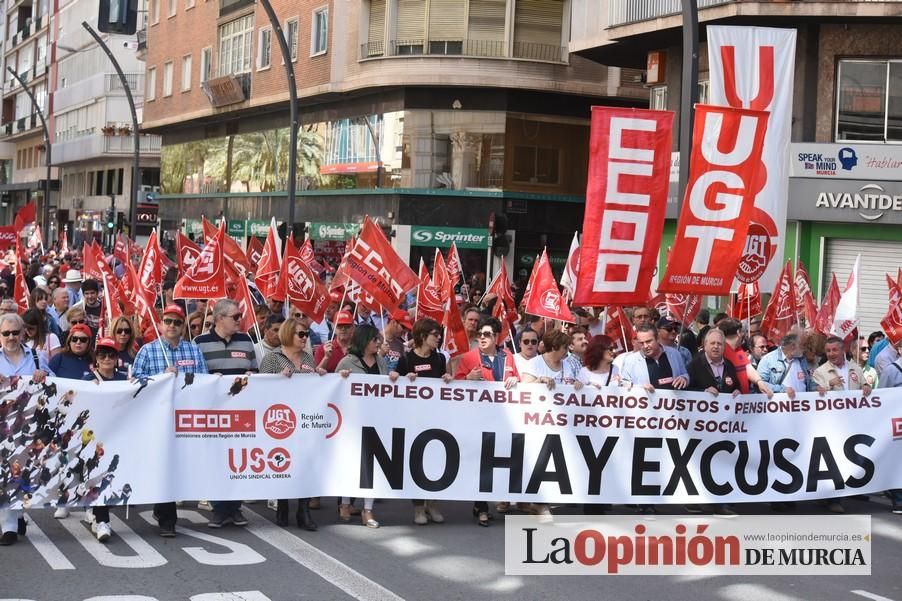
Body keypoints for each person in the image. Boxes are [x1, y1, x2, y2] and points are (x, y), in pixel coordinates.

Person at [132, 304, 209, 537]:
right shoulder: (147, 350)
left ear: (183, 325)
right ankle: (168, 519)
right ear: (161, 324)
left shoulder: (193, 350)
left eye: (177, 322)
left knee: (178, 465)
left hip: (185, 417)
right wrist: (159, 379)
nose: (172, 326)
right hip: (157, 418)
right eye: (168, 321)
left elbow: (204, 379)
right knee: (164, 463)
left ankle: (161, 506)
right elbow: (134, 382)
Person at [194, 299, 258, 529]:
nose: (240, 320)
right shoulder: (199, 342)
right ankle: (219, 509)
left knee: (238, 459)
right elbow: (196, 376)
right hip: (214, 412)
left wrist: (252, 374)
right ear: (220, 318)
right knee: (216, 460)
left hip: (241, 412)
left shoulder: (246, 340)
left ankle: (235, 507)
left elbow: (256, 372)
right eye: (236, 317)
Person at [454, 316, 519, 526]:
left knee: (494, 461)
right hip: (477, 419)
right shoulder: (469, 358)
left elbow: (516, 379)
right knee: (481, 461)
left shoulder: (507, 356)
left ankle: (484, 502)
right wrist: (467, 379)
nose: (482, 337)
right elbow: (454, 387)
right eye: (480, 334)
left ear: (497, 337)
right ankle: (481, 506)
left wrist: (515, 379)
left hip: (502, 419)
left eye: (487, 334)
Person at [259, 318, 323, 530]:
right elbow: (262, 390)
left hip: (305, 418)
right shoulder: (272, 358)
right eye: (301, 334)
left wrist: (320, 376)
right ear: (288, 335)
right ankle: (283, 504)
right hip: (281, 419)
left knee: (305, 463)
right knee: (283, 462)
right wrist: (277, 379)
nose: (305, 338)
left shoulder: (307, 358)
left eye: (306, 334)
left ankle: (303, 510)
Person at [392, 318, 451, 525]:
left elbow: (445, 381)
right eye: (435, 334)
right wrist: (400, 378)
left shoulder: (440, 359)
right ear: (422, 336)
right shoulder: (406, 360)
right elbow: (392, 385)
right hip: (414, 420)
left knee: (436, 460)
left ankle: (432, 504)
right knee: (417, 461)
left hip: (436, 418)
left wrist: (448, 379)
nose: (438, 338)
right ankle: (418, 507)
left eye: (439, 334)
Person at [0, 313, 52, 545]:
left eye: (15, 332)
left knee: (22, 470)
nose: (11, 337)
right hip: (3, 426)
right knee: (5, 472)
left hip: (29, 426)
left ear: (23, 332)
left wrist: (45, 375)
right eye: (6, 333)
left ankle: (19, 512)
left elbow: (56, 387)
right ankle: (9, 526)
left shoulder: (37, 357)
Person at [337, 324, 395, 528]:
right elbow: (334, 390)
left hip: (376, 419)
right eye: (374, 340)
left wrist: (393, 378)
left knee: (372, 466)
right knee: (352, 464)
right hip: (352, 421)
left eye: (378, 339)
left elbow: (388, 386)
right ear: (363, 341)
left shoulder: (380, 361)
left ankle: (367, 509)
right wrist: (341, 379)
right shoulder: (347, 361)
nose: (378, 343)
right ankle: (344, 503)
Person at [80, 337, 128, 541]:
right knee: (99, 475)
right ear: (96, 358)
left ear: (117, 358)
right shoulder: (86, 379)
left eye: (111, 354)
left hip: (120, 434)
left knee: (111, 476)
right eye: (102, 354)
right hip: (95, 437)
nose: (107, 358)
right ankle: (102, 520)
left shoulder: (126, 378)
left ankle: (96, 512)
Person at [619, 325, 689, 392]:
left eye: (648, 341)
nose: (645, 346)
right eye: (641, 343)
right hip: (647, 403)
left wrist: (684, 378)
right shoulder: (630, 360)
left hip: (673, 402)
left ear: (657, 338)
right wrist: (639, 388)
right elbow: (623, 384)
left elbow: (684, 373)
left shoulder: (674, 353)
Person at [719, 319, 773, 397]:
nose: (744, 334)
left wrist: (759, 382)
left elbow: (748, 368)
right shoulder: (721, 351)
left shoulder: (739, 349)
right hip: (729, 401)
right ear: (738, 332)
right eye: (742, 331)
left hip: (743, 401)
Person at [756, 333, 815, 399]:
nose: (804, 349)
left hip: (802, 405)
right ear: (793, 346)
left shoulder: (802, 360)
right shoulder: (768, 360)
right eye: (802, 346)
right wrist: (782, 389)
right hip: (779, 405)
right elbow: (761, 384)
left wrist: (816, 387)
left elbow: (809, 381)